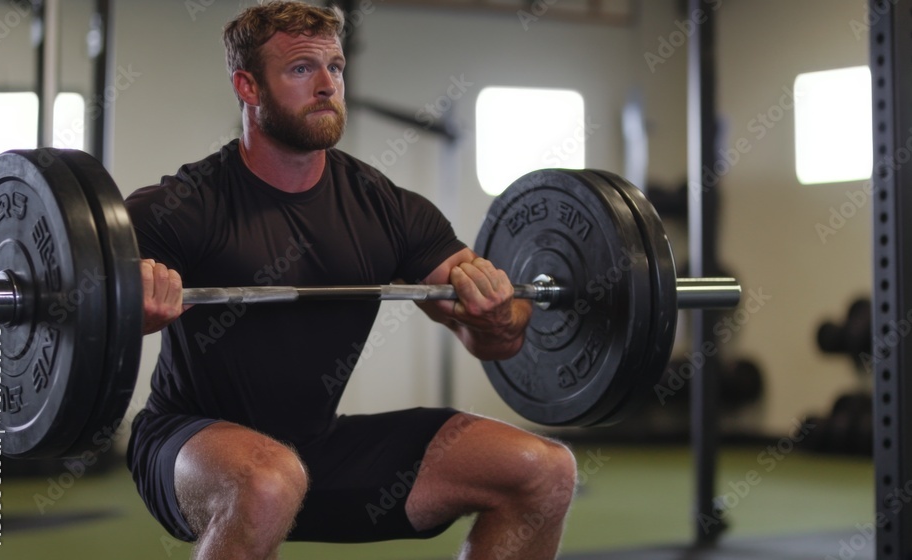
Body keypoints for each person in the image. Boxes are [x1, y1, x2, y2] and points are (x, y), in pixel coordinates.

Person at [124, 2, 578, 559]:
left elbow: (498, 341)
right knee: (269, 479)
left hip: (318, 449)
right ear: (247, 86)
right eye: (300, 70)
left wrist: (498, 312)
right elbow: (89, 320)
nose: (326, 85)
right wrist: (133, 311)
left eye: (335, 68)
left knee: (543, 470)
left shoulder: (386, 209)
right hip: (186, 444)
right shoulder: (187, 205)